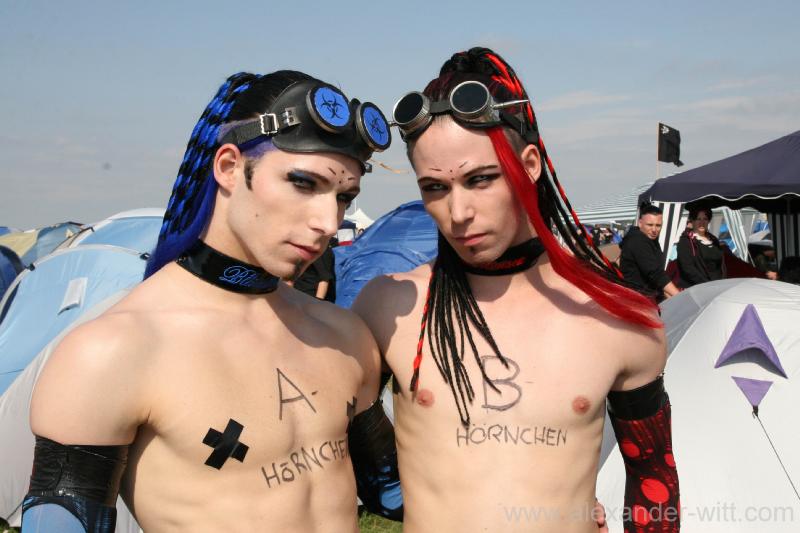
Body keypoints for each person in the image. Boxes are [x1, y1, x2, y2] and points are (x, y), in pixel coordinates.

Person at [22, 71, 402, 532]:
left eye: (344, 197)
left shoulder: (343, 335)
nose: (328, 220)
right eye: (303, 183)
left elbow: (394, 492)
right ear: (228, 167)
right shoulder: (111, 352)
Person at [354, 47, 679, 532]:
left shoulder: (618, 315)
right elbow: (345, 445)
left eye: (481, 179)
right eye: (435, 188)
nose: (458, 213)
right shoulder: (390, 305)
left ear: (529, 164)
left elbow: (653, 478)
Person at [619, 203, 681, 301]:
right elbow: (656, 274)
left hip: (650, 296)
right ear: (640, 223)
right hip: (637, 299)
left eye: (658, 225)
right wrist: (680, 297)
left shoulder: (650, 239)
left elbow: (658, 277)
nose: (654, 230)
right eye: (650, 225)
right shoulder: (638, 241)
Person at [676, 206, 725, 287]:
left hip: (718, 286)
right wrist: (707, 285)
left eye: (705, 219)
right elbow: (688, 269)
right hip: (698, 288)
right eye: (698, 219)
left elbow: (721, 265)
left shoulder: (714, 239)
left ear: (709, 220)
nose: (702, 223)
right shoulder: (685, 241)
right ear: (692, 220)